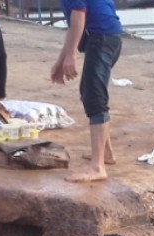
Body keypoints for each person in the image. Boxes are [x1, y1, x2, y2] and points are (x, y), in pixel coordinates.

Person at [50, 0, 122, 183]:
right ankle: (106, 153)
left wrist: (71, 54)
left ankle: (98, 167)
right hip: (108, 36)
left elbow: (79, 14)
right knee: (88, 92)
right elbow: (74, 24)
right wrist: (61, 59)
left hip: (102, 37)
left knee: (94, 97)